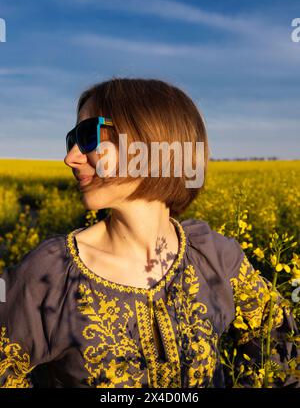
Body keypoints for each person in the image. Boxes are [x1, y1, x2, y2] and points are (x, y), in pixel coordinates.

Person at [0, 78, 299, 388]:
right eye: (71, 140)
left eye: (88, 136)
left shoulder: (215, 256)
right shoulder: (48, 275)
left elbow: (280, 346)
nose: (70, 157)